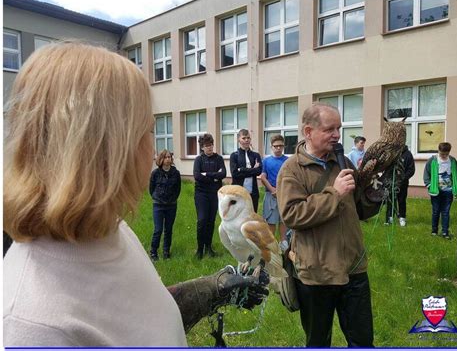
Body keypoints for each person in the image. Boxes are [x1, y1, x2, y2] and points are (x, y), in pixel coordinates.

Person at [3, 42, 268, 347]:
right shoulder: (33, 326)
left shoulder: (107, 228)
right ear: (103, 149)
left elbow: (138, 318)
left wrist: (212, 289)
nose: (154, 150)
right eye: (147, 132)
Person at [276, 102, 381, 347]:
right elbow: (293, 215)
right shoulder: (292, 170)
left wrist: (377, 191)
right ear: (308, 132)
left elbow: (359, 208)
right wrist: (334, 193)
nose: (337, 135)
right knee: (318, 342)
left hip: (353, 268)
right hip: (316, 274)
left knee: (363, 341)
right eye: (329, 129)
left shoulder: (343, 161)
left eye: (339, 128)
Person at [193, 133, 226, 259]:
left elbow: (223, 174)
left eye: (211, 145)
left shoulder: (218, 158)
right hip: (201, 194)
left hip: (214, 194)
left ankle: (209, 248)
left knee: (211, 221)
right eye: (207, 145)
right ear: (202, 147)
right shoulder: (198, 160)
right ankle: (200, 250)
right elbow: (197, 176)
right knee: (202, 220)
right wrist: (214, 177)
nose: (210, 147)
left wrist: (206, 174)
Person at [423, 142, 457, 239]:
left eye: (446, 154)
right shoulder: (433, 160)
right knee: (436, 211)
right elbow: (426, 174)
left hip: (448, 191)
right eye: (442, 154)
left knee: (446, 211)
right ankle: (434, 230)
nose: (444, 156)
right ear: (438, 151)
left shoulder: (452, 161)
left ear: (449, 152)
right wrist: (429, 185)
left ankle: (445, 232)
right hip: (436, 191)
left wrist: (455, 185)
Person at [149, 149, 181, 260]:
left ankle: (166, 251)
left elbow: (178, 189)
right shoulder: (155, 173)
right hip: (158, 205)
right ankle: (153, 252)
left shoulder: (175, 173)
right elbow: (151, 189)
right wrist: (156, 197)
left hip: (171, 205)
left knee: (168, 229)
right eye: (166, 157)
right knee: (158, 229)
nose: (168, 159)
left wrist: (172, 199)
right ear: (161, 159)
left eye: (169, 157)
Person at [260, 134, 289, 251]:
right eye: (276, 146)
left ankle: (283, 242)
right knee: (271, 220)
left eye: (280, 146)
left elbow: (289, 177)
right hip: (270, 194)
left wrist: (281, 190)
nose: (278, 148)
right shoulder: (266, 161)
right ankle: (272, 245)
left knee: (283, 219)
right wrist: (272, 189)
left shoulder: (287, 161)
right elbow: (263, 177)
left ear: (283, 147)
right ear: (271, 147)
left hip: (284, 195)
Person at [230, 129, 262, 212]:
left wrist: (242, 169)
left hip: (253, 193)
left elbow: (258, 171)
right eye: (244, 138)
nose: (246, 140)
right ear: (238, 140)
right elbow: (235, 174)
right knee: (238, 217)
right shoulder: (234, 156)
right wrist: (252, 170)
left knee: (252, 217)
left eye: (248, 138)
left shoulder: (256, 155)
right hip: (238, 193)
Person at [385, 145, 415, 227]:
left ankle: (402, 217)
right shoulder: (391, 153)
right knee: (390, 199)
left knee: (401, 200)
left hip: (402, 183)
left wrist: (403, 178)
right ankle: (389, 217)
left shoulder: (408, 154)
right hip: (391, 182)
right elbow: (386, 167)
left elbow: (411, 169)